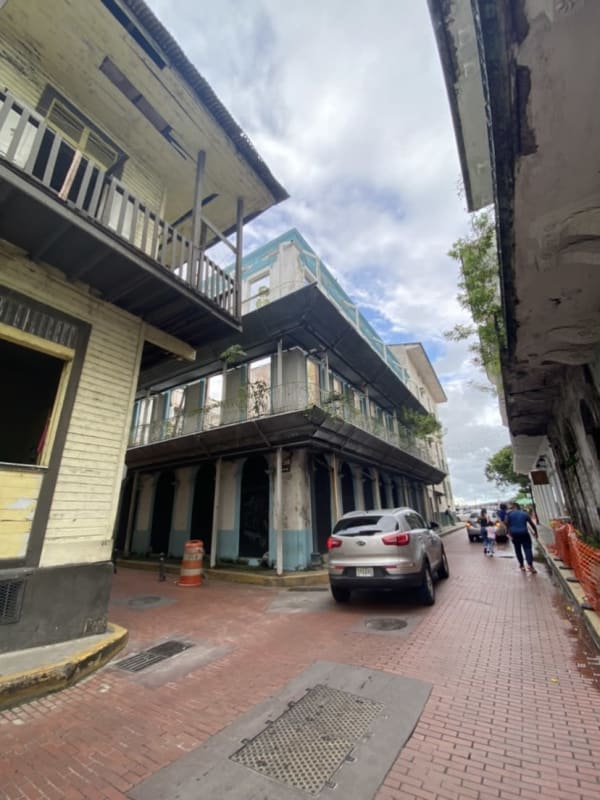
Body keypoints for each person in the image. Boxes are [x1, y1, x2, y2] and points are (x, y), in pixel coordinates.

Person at [506, 502, 539, 573]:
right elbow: (532, 524)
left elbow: (506, 523)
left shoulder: (509, 514)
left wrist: (508, 533)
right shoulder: (524, 514)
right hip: (524, 533)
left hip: (514, 534)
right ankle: (530, 565)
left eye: (511, 507)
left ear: (514, 507)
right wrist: (536, 533)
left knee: (518, 550)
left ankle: (522, 565)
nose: (511, 509)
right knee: (527, 549)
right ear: (519, 507)